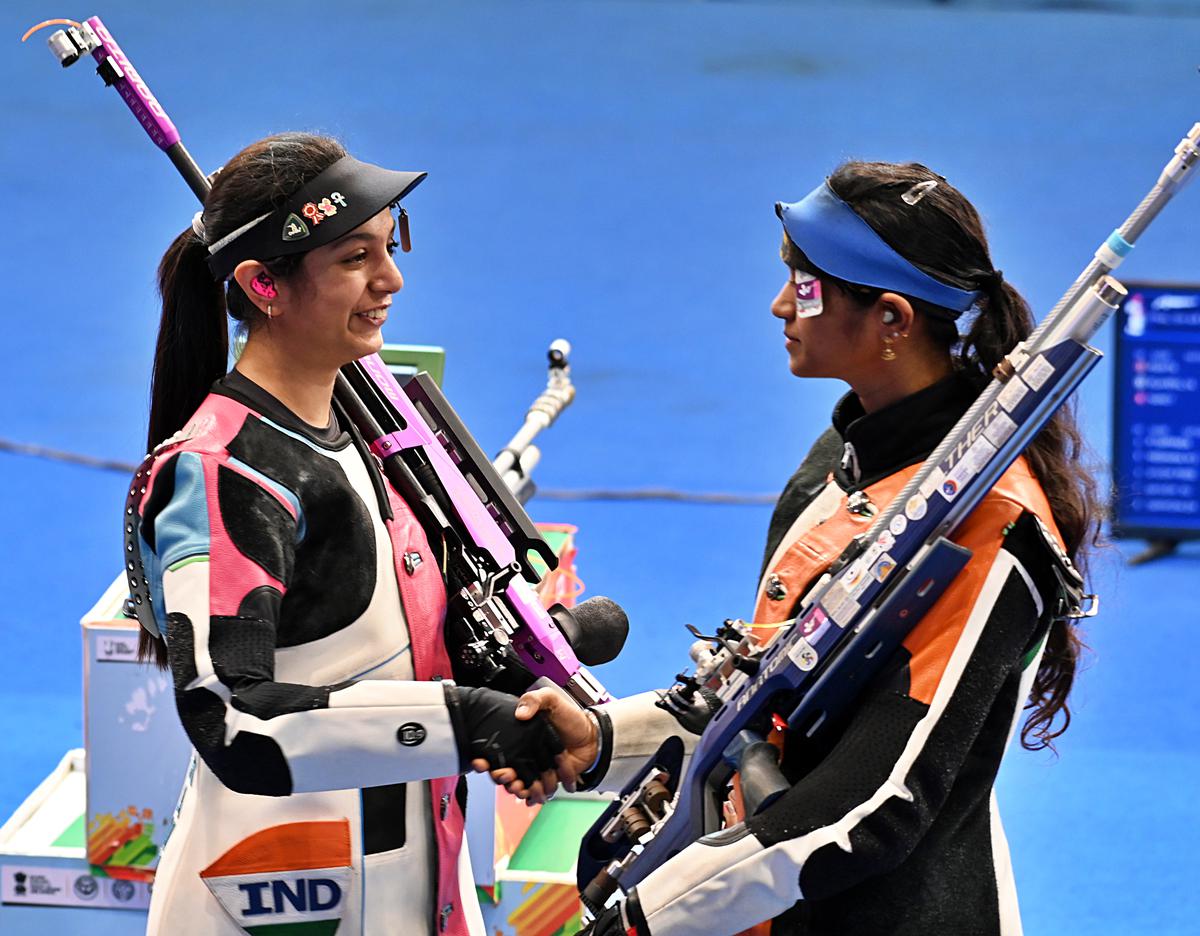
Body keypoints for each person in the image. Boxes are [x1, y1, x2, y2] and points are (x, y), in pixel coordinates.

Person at [504, 162, 1097, 936]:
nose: (781, 305)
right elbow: (765, 698)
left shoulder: (991, 528)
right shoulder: (838, 458)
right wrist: (606, 735)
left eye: (807, 287)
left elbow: (879, 806)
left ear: (892, 318)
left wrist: (651, 915)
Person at [129, 132, 571, 936]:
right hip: (284, 895)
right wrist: (463, 717)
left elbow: (387, 647)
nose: (391, 280)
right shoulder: (221, 472)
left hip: (415, 871)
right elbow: (232, 717)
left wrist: (511, 680)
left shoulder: (362, 427)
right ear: (265, 283)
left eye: (389, 244)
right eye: (353, 258)